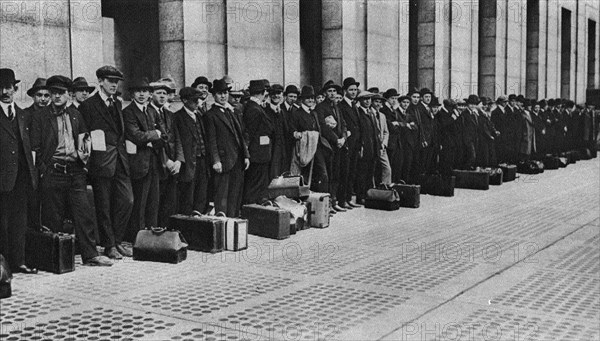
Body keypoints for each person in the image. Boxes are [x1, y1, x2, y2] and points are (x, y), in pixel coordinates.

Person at [30, 75, 112, 266]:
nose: (57, 96)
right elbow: (35, 147)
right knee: (53, 217)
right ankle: (54, 258)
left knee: (84, 214)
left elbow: (85, 140)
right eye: (53, 93)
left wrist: (84, 164)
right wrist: (42, 169)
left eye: (61, 93)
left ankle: (90, 255)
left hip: (75, 172)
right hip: (52, 171)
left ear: (68, 94)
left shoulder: (76, 114)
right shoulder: (40, 116)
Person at [79, 65, 134, 259]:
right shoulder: (88, 105)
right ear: (100, 82)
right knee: (103, 205)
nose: (114, 84)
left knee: (127, 200)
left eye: (116, 81)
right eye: (110, 81)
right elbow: (84, 136)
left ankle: (117, 240)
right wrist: (85, 162)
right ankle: (110, 245)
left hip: (119, 159)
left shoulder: (117, 103)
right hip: (100, 162)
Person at [0, 68, 38, 274]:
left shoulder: (22, 114)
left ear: (15, 89)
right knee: (2, 223)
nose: (4, 92)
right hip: (2, 178)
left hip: (21, 178)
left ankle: (19, 261)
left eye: (8, 87)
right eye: (0, 87)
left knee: (19, 222)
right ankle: (3, 265)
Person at [123, 78, 165, 239]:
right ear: (132, 94)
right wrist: (154, 134)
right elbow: (135, 135)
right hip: (138, 164)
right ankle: (137, 238)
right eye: (138, 91)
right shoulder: (128, 112)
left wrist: (150, 140)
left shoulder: (152, 111)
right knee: (139, 203)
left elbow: (165, 136)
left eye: (145, 91)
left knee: (153, 202)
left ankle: (151, 237)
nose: (142, 94)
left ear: (149, 94)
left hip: (154, 161)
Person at [204, 79, 250, 217]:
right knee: (222, 195)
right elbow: (211, 140)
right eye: (219, 93)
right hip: (223, 161)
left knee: (235, 196)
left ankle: (233, 224)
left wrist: (246, 155)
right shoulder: (210, 115)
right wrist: (215, 160)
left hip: (237, 159)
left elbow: (240, 135)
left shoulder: (232, 112)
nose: (223, 96)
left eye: (225, 93)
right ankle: (223, 225)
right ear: (214, 95)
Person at [150, 80, 184, 226]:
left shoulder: (169, 114)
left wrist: (179, 160)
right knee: (155, 202)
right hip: (157, 164)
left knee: (169, 202)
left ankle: (166, 232)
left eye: (164, 93)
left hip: (172, 165)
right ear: (151, 94)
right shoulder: (149, 113)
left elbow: (177, 139)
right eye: (159, 93)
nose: (162, 96)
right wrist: (166, 161)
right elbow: (155, 143)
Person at [174, 87, 211, 215]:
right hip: (188, 164)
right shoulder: (177, 117)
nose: (197, 103)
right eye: (194, 100)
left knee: (201, 194)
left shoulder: (199, 116)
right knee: (188, 197)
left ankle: (199, 220)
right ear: (184, 100)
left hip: (202, 161)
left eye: (199, 100)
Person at [289, 85, 330, 194]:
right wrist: (298, 134)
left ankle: (320, 201)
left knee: (323, 174)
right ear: (302, 99)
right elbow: (292, 131)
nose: (311, 100)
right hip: (304, 149)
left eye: (312, 98)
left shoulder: (314, 113)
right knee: (305, 176)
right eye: (308, 98)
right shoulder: (296, 113)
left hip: (317, 147)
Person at [314, 80, 347, 212]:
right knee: (328, 174)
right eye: (330, 91)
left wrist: (343, 138)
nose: (332, 94)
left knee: (336, 174)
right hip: (327, 146)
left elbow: (343, 124)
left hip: (339, 145)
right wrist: (336, 139)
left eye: (334, 91)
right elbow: (323, 127)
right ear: (325, 93)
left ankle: (334, 201)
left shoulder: (337, 107)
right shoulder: (321, 107)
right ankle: (327, 204)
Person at [243, 80, 275, 204]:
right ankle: (252, 208)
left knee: (258, 184)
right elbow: (250, 133)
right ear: (262, 92)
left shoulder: (256, 107)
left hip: (260, 153)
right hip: (257, 154)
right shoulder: (253, 108)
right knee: (255, 184)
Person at [337, 77, 362, 209]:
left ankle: (348, 198)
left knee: (352, 171)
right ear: (345, 91)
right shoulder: (341, 106)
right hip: (347, 144)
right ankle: (342, 200)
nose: (353, 92)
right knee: (345, 173)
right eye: (351, 90)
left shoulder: (354, 105)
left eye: (355, 90)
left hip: (355, 144)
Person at [355, 91, 379, 204]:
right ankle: (361, 196)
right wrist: (361, 146)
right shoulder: (359, 113)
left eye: (369, 99)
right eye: (365, 99)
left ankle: (369, 194)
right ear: (360, 100)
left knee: (370, 172)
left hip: (373, 147)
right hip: (365, 147)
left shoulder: (371, 113)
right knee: (362, 173)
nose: (368, 101)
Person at [265, 84, 290, 178]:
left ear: (282, 95)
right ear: (270, 95)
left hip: (282, 149)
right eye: (273, 93)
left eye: (278, 93)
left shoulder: (282, 111)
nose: (276, 96)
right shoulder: (265, 111)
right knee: (273, 175)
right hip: (272, 149)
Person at [371, 93, 392, 185]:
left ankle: (386, 187)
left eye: (380, 102)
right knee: (372, 169)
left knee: (387, 168)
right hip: (372, 145)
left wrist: (384, 143)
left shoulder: (382, 115)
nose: (378, 104)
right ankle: (372, 189)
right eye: (376, 101)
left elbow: (386, 132)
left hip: (382, 147)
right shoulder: (369, 113)